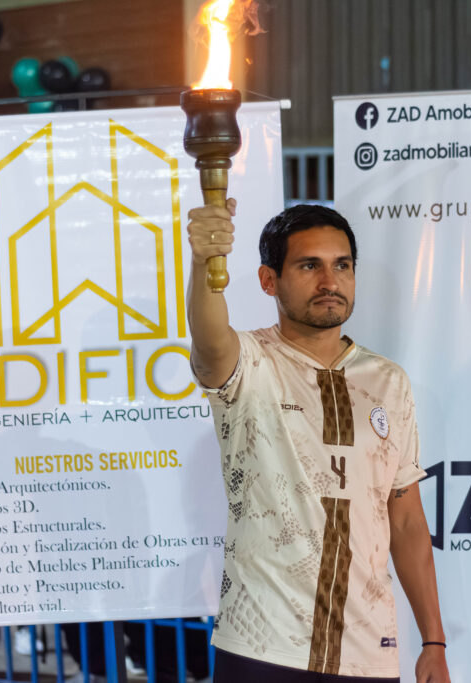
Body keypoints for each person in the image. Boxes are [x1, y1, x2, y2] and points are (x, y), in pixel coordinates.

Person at [187, 201, 451, 683]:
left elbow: (407, 519)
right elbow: (208, 340)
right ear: (269, 280)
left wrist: (433, 640)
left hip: (369, 651)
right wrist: (205, 261)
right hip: (262, 646)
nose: (330, 281)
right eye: (310, 266)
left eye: (342, 265)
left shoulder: (389, 381)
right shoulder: (248, 362)